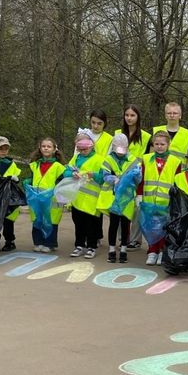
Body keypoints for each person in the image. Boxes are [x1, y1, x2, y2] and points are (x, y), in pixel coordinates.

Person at [99, 133, 143, 263]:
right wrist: (115, 179)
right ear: (113, 147)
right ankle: (112, 250)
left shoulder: (133, 160)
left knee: (125, 224)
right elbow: (105, 175)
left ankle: (123, 249)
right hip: (113, 197)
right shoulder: (108, 160)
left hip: (127, 198)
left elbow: (138, 179)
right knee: (113, 224)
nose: (120, 152)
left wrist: (136, 175)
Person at [142, 130, 182, 265]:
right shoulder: (146, 159)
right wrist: (139, 195)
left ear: (168, 145)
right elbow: (141, 179)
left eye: (162, 144)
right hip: (149, 201)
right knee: (151, 227)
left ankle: (162, 252)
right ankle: (152, 251)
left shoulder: (175, 161)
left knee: (164, 228)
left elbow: (177, 183)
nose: (159, 146)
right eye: (157, 144)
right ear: (153, 144)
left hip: (166, 202)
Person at [65, 129, 105, 259]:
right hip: (77, 198)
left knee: (92, 225)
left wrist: (94, 175)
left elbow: (104, 177)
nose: (82, 152)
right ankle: (79, 245)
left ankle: (92, 246)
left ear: (91, 146)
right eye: (80, 149)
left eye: (84, 149)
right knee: (78, 224)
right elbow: (65, 171)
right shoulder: (76, 158)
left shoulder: (99, 159)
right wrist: (72, 174)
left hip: (92, 200)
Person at [118, 105, 152, 251]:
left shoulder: (146, 137)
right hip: (121, 177)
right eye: (127, 115)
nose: (129, 118)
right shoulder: (118, 134)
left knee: (137, 209)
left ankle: (135, 239)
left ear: (138, 117)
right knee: (121, 206)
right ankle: (122, 238)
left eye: (132, 115)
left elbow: (148, 158)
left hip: (138, 178)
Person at [27, 137, 66, 252]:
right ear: (40, 148)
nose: (46, 148)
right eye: (43, 146)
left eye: (49, 146)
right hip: (36, 197)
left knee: (51, 220)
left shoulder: (59, 166)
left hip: (52, 198)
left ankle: (49, 243)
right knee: (37, 219)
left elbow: (61, 181)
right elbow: (31, 177)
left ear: (54, 149)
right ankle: (38, 242)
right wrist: (27, 181)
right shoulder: (34, 165)